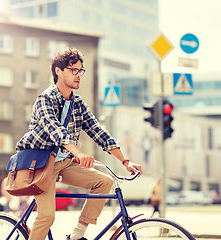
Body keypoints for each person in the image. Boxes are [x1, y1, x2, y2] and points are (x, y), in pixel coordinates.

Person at [16, 47, 142, 240]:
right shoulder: (45, 99)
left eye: (81, 71)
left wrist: (125, 161)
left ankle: (77, 235)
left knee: (104, 182)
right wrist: (79, 153)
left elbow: (98, 131)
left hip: (64, 162)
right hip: (40, 162)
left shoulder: (78, 103)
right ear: (59, 71)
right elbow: (56, 130)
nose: (78, 75)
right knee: (47, 216)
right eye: (73, 70)